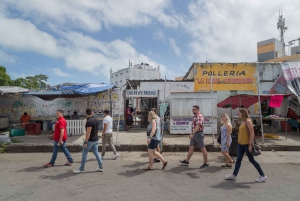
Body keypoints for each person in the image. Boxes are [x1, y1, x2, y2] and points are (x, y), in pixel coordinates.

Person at [225, 108, 267, 182]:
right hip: (241, 143)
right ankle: (234, 175)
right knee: (238, 160)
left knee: (251, 160)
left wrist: (250, 145)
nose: (238, 114)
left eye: (239, 113)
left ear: (243, 113)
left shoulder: (248, 121)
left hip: (247, 144)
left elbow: (252, 133)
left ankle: (263, 175)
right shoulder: (242, 121)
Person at [73, 108, 103, 173]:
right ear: (92, 113)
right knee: (96, 153)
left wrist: (85, 141)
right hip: (95, 139)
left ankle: (81, 169)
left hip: (90, 140)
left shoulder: (89, 121)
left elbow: (88, 132)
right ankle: (101, 167)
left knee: (84, 154)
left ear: (86, 113)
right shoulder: (96, 120)